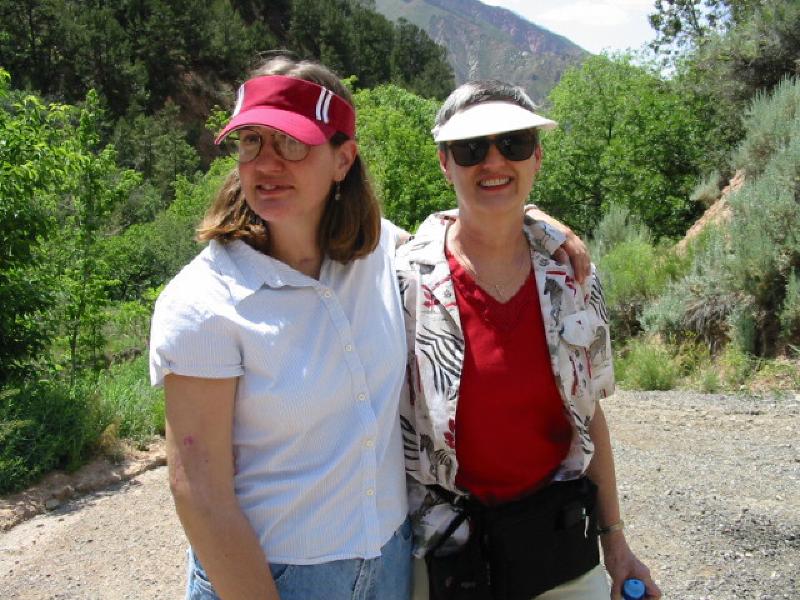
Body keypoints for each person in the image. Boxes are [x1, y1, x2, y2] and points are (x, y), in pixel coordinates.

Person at [149, 56, 587, 600]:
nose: (266, 164)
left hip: (392, 564)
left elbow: (464, 226)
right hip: (273, 579)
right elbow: (200, 493)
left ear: (342, 159)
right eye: (251, 142)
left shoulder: (379, 250)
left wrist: (536, 222)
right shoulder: (203, 303)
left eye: (292, 143)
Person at [397, 81, 662, 600]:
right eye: (472, 148)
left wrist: (617, 545)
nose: (494, 162)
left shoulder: (573, 277)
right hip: (449, 555)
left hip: (557, 543)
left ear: (536, 157)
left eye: (513, 143)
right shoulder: (403, 279)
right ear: (444, 163)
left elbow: (588, 417)